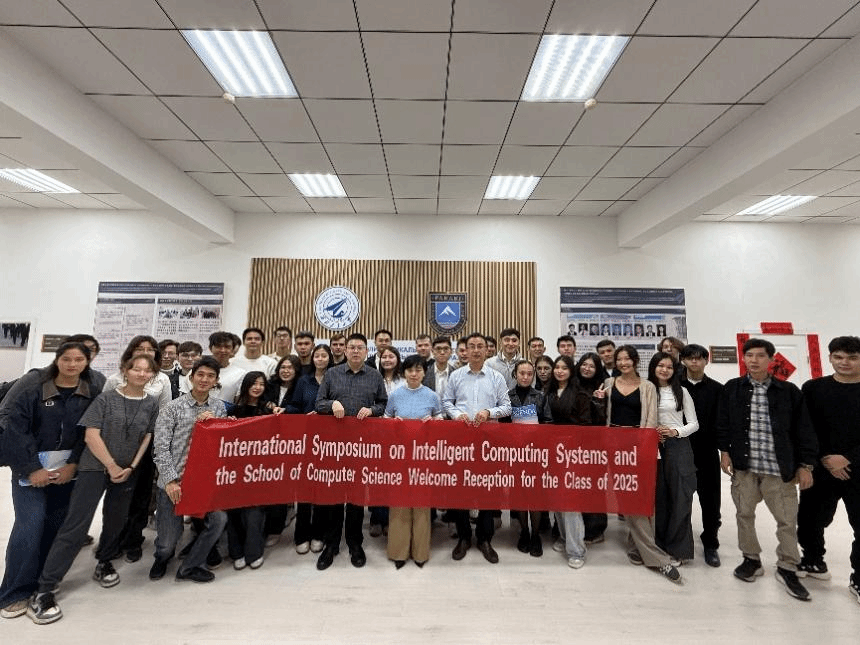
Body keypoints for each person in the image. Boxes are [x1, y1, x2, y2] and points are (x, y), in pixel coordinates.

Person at [27, 355, 160, 624]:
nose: (141, 374)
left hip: (127, 472)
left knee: (116, 521)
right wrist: (111, 465)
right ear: (125, 370)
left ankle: (104, 561)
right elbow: (91, 435)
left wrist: (132, 467)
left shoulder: (151, 403)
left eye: (147, 371)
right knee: (76, 525)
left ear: (153, 376)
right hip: (95, 467)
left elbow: (147, 436)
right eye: (136, 368)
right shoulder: (105, 398)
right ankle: (45, 588)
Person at [0, 342, 96, 620]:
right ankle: (14, 591)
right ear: (57, 359)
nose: (72, 364)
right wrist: (31, 469)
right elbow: (13, 428)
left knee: (55, 527)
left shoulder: (90, 391)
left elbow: (88, 432)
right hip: (30, 470)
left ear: (86, 363)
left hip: (66, 472)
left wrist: (73, 464)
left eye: (79, 359)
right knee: (30, 526)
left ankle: (41, 585)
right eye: (66, 358)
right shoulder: (33, 386)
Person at [717, 338, 818, 601]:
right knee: (744, 514)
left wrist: (806, 465)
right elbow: (723, 422)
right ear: (744, 358)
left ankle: (787, 565)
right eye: (749, 355)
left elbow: (804, 429)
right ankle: (751, 559)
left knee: (787, 520)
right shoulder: (733, 388)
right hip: (745, 466)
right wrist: (724, 451)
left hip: (779, 469)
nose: (754, 360)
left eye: (760, 355)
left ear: (771, 360)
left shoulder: (789, 392)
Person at [595, 345, 681, 584]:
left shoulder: (648, 386)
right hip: (614, 446)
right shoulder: (608, 383)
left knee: (640, 498)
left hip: (638, 446)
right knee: (627, 498)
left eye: (627, 359)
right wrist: (597, 400)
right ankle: (649, 553)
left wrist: (644, 448)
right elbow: (602, 416)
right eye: (619, 359)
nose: (623, 363)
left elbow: (651, 419)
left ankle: (646, 552)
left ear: (635, 361)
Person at [148, 357, 228, 584]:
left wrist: (216, 424)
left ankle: (190, 566)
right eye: (200, 374)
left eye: (210, 376)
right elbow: (160, 448)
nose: (204, 379)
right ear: (191, 377)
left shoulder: (218, 407)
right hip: (174, 482)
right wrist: (170, 481)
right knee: (167, 544)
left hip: (202, 482)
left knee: (218, 520)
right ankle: (162, 558)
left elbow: (222, 444)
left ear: (216, 381)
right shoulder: (172, 408)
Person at [314, 333, 387, 570]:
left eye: (360, 348)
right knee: (334, 497)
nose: (355, 351)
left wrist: (373, 410)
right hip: (335, 447)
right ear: (345, 351)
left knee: (356, 498)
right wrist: (331, 404)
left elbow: (383, 403)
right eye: (351, 347)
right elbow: (318, 403)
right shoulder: (332, 374)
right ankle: (331, 544)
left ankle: (355, 543)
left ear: (366, 351)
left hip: (362, 446)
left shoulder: (375, 375)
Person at [797, 336, 860, 603]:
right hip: (821, 468)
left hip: (858, 470)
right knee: (810, 519)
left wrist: (847, 459)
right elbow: (805, 427)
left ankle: (859, 578)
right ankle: (813, 561)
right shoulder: (813, 388)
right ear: (830, 357)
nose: (845, 362)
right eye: (839, 357)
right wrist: (824, 459)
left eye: (852, 358)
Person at [443, 332, 512, 564]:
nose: (475, 350)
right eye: (471, 346)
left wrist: (489, 412)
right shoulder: (456, 375)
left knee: (487, 490)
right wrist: (456, 414)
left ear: (486, 350)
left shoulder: (496, 377)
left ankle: (484, 539)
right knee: (461, 490)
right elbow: (446, 402)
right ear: (465, 350)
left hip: (488, 441)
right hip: (461, 440)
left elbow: (507, 407)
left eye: (479, 346)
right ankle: (464, 537)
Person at [103, 335, 172, 563]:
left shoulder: (162, 379)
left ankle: (133, 540)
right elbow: (104, 412)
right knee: (117, 495)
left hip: (148, 444)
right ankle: (112, 540)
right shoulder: (114, 379)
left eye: (150, 349)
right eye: (140, 348)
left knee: (141, 496)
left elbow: (164, 413)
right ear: (130, 352)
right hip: (118, 444)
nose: (145, 352)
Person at [384, 354, 444, 568]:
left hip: (423, 457)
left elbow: (441, 420)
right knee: (399, 503)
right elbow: (385, 420)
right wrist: (393, 423)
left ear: (424, 373)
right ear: (404, 373)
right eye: (410, 370)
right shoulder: (395, 395)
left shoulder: (432, 396)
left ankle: (420, 553)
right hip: (400, 457)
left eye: (418, 370)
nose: (414, 374)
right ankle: (399, 553)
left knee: (421, 504)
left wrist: (434, 421)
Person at [543, 356, 601, 568]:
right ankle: (564, 537)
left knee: (571, 502)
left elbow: (585, 426)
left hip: (572, 454)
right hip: (550, 453)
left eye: (564, 368)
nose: (559, 371)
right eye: (556, 367)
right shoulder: (547, 392)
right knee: (556, 500)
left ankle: (577, 550)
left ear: (571, 371)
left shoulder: (580, 394)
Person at [647, 352, 698, 564]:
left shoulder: (681, 391)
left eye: (669, 367)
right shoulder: (646, 389)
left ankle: (678, 549)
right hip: (652, 447)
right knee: (658, 498)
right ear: (653, 367)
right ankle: (658, 546)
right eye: (661, 365)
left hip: (678, 446)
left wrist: (675, 431)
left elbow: (694, 424)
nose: (664, 370)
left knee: (680, 497)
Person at [680, 343, 724, 567]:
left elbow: (722, 423)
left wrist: (725, 451)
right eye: (690, 358)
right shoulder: (674, 387)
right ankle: (680, 542)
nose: (694, 362)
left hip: (707, 453)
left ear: (706, 360)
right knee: (681, 500)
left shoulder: (717, 389)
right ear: (683, 361)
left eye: (699, 358)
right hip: (680, 451)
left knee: (711, 501)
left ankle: (711, 543)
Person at [225, 371, 273, 572]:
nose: (257, 387)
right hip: (235, 470)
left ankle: (254, 552)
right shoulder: (233, 410)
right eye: (254, 383)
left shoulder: (269, 410)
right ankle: (236, 552)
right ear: (246, 385)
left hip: (259, 471)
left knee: (255, 514)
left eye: (261, 384)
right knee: (234, 512)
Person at [288, 345, 333, 555]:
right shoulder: (303, 381)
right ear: (312, 358)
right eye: (317, 356)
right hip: (305, 440)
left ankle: (318, 534)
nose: (320, 359)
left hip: (329, 442)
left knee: (323, 490)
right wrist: (288, 412)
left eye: (324, 355)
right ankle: (301, 535)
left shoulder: (335, 379)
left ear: (329, 358)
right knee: (305, 490)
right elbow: (295, 405)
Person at [504, 360, 547, 556]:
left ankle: (536, 535)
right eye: (522, 373)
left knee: (535, 495)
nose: (525, 377)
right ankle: (524, 532)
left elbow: (548, 422)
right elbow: (503, 425)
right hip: (514, 455)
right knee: (519, 494)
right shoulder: (507, 397)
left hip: (535, 454)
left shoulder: (540, 396)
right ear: (515, 374)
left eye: (530, 373)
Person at [260, 354, 302, 546]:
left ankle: (276, 528)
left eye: (290, 367)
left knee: (283, 484)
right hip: (267, 441)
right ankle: (267, 526)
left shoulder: (302, 385)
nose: (286, 371)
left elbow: (302, 408)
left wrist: (287, 410)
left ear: (296, 370)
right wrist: (268, 405)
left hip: (291, 441)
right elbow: (258, 400)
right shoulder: (269, 384)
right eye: (283, 367)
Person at [575, 352, 610, 544]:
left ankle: (595, 530)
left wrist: (599, 401)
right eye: (584, 364)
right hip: (573, 446)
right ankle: (575, 527)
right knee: (576, 487)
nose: (586, 369)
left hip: (595, 447)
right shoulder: (572, 384)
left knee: (594, 488)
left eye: (591, 366)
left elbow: (603, 420)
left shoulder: (603, 387)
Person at [206, 331, 246, 405]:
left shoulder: (240, 374)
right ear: (210, 348)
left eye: (227, 347)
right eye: (218, 346)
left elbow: (239, 402)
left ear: (232, 350)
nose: (222, 350)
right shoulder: (198, 371)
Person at [423, 336, 455, 404]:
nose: (442, 352)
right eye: (438, 349)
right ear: (432, 352)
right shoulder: (424, 374)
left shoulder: (456, 374)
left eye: (446, 349)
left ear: (451, 351)